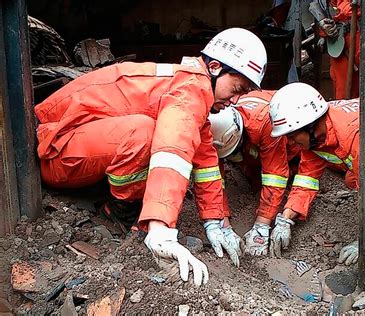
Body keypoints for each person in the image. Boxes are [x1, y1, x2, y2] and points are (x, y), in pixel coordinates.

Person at [34, 28, 267, 286]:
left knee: (145, 133)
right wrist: (161, 229)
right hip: (55, 150)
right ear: (213, 67)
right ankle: (121, 212)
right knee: (144, 133)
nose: (234, 101)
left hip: (73, 142)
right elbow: (172, 150)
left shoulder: (190, 85)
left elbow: (206, 162)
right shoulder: (190, 90)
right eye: (236, 89)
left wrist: (217, 221)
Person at [268, 82, 359, 264]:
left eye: (292, 136)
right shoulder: (318, 136)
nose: (291, 143)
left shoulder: (354, 135)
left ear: (310, 126)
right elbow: (306, 179)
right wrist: (285, 219)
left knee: (355, 179)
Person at [209, 90, 301, 256]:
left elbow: (275, 176)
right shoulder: (214, 130)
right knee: (252, 171)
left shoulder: (265, 122)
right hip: (250, 139)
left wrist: (262, 225)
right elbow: (214, 181)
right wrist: (223, 224)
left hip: (286, 138)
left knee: (284, 165)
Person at [310, 0, 361, 99]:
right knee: (343, 92)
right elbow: (322, 5)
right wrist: (323, 23)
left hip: (364, 36)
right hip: (340, 40)